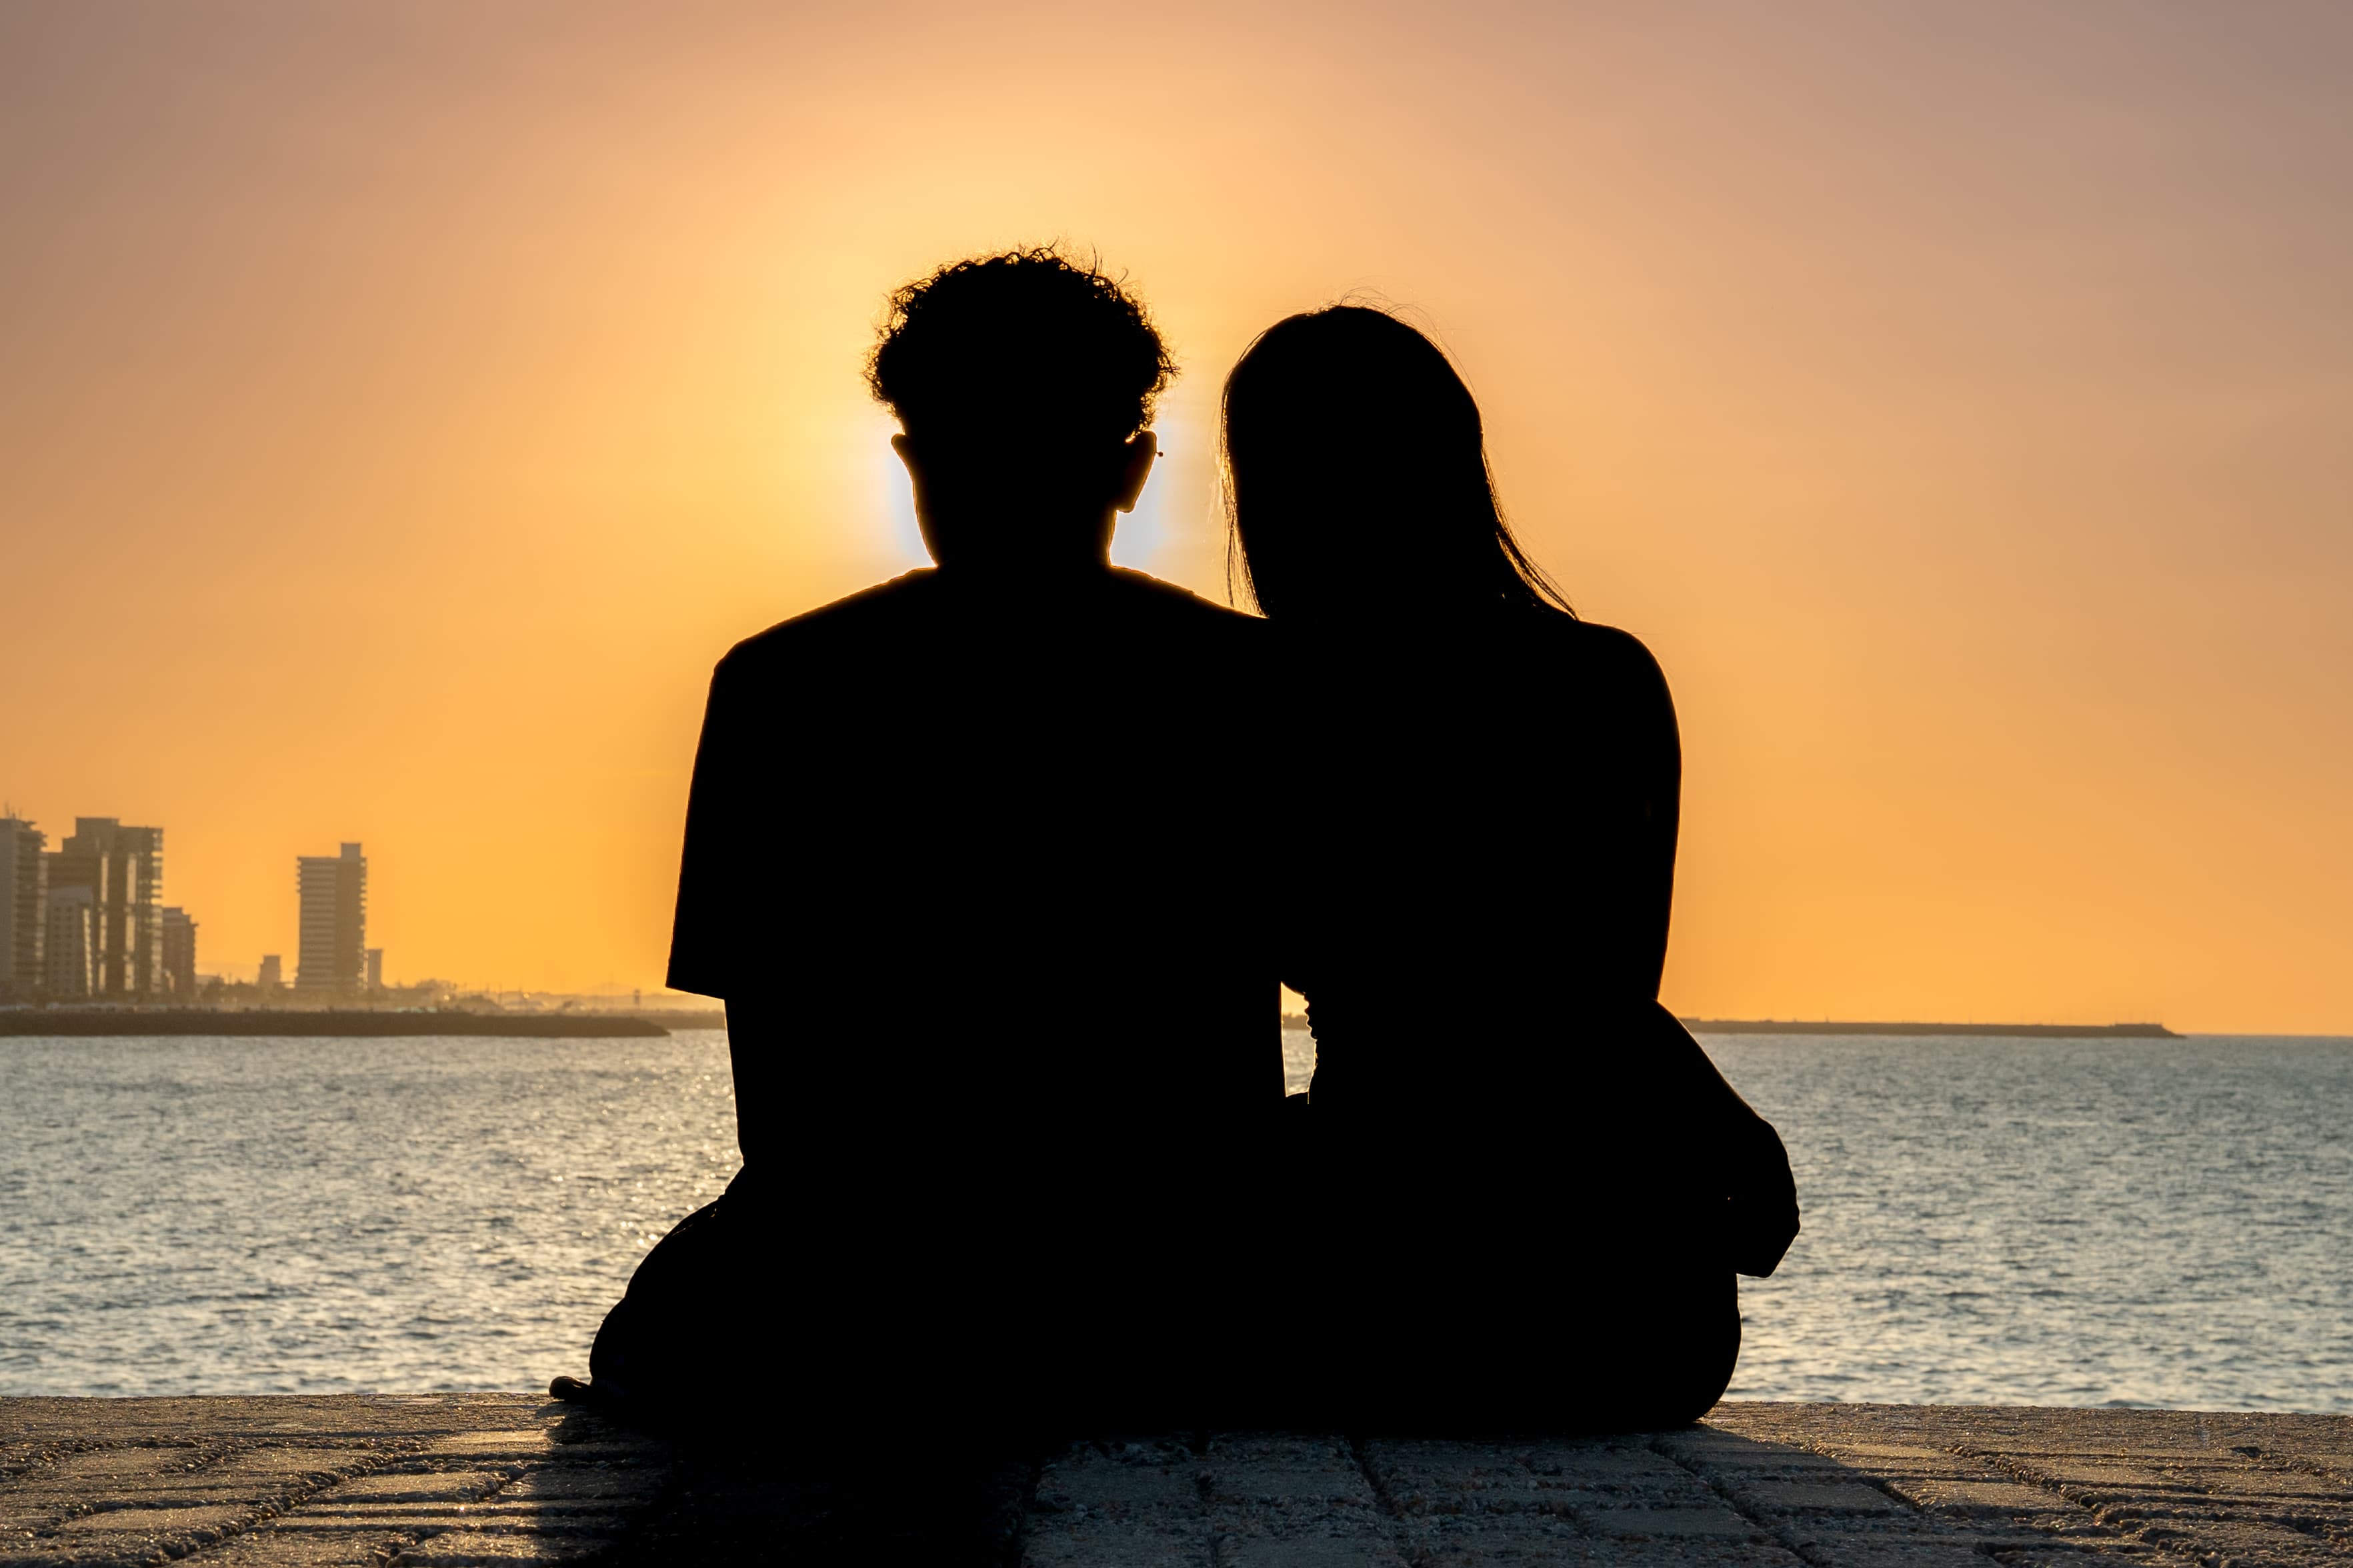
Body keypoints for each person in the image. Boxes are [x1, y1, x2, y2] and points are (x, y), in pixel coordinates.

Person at [564, 250, 1282, 1433]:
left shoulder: (780, 690)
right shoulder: (1249, 687)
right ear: (1131, 471)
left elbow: (785, 1123)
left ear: (909, 464)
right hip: (1180, 1297)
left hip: (869, 1295)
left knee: (663, 1332)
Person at [1225, 305, 1799, 1432]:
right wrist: (1714, 1113)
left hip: (1371, 1303)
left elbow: (1426, 999)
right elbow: (1594, 995)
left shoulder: (1258, 703)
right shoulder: (1603, 682)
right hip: (1638, 1322)